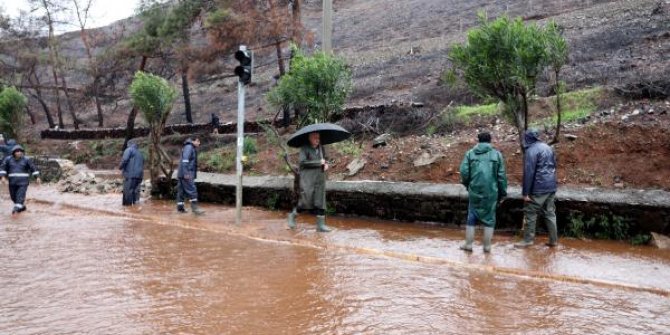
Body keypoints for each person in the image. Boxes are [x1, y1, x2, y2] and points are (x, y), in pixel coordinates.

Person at [459, 132, 508, 252]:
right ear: (490, 141)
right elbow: (501, 176)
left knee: (472, 216)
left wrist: (468, 185)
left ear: (478, 140)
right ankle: (487, 247)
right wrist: (503, 193)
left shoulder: (470, 154)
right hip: (491, 191)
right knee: (490, 218)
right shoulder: (497, 155)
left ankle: (468, 245)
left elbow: (464, 172)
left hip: (474, 189)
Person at [515, 129, 559, 248]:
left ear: (527, 138)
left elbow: (529, 173)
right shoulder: (548, 147)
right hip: (551, 186)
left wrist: (525, 193)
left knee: (530, 212)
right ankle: (553, 240)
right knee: (550, 213)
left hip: (538, 188)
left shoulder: (531, 151)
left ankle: (528, 240)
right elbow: (554, 165)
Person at [287, 132, 331, 232]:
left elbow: (325, 160)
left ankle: (320, 226)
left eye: (318, 138)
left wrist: (326, 165)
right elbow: (302, 163)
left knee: (321, 201)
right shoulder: (304, 148)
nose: (317, 140)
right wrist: (318, 163)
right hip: (308, 178)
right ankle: (292, 215)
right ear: (309, 138)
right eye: (315, 138)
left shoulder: (321, 148)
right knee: (305, 200)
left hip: (320, 178)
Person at [0, 145, 40, 215]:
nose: (19, 153)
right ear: (14, 152)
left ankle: (15, 211)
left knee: (20, 197)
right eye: (17, 151)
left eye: (20, 151)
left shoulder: (26, 159)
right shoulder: (8, 159)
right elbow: (3, 168)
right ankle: (22, 207)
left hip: (23, 183)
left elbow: (33, 168)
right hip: (12, 182)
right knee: (13, 197)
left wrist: (37, 177)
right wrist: (3, 177)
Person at [176, 137, 204, 215]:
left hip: (182, 173)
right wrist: (186, 174)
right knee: (192, 190)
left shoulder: (188, 147)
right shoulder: (189, 147)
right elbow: (185, 160)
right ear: (193, 141)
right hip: (187, 173)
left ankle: (180, 208)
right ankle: (195, 209)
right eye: (198, 141)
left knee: (181, 191)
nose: (199, 143)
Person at [119, 139, 144, 206]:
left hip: (130, 175)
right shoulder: (139, 153)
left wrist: (120, 167)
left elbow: (124, 160)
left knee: (128, 191)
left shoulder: (129, 150)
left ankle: (128, 209)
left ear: (128, 144)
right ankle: (136, 209)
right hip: (139, 176)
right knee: (136, 192)